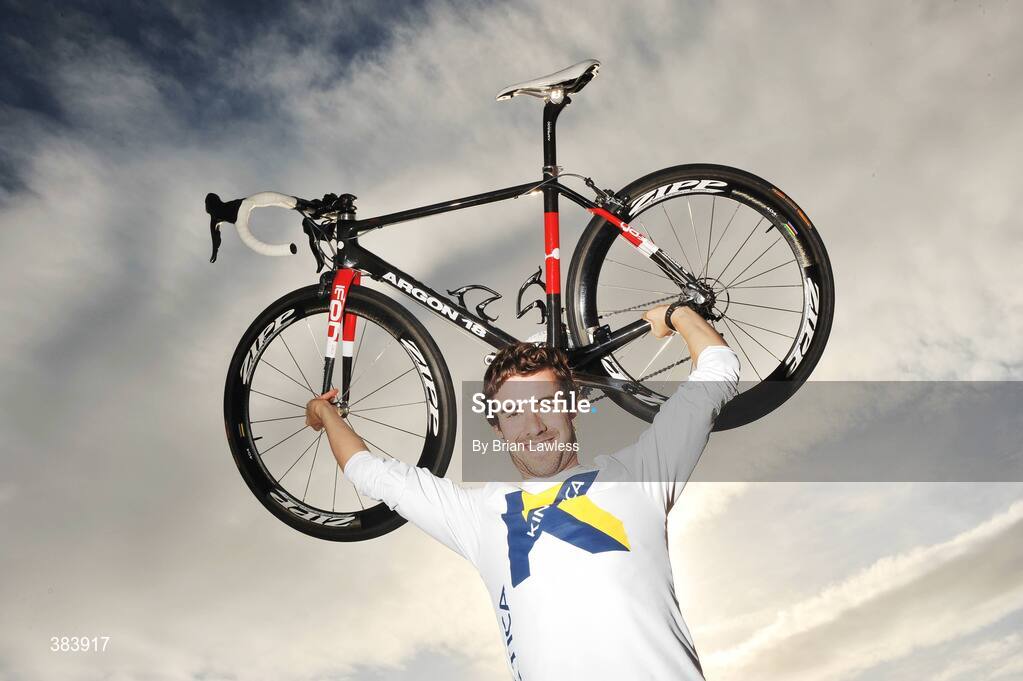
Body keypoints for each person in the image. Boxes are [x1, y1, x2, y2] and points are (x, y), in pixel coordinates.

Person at [306, 301, 740, 681]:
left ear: (573, 408)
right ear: (497, 429)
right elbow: (369, 472)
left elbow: (718, 371)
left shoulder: (640, 474)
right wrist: (326, 413)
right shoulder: (477, 516)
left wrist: (675, 314)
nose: (533, 427)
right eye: (513, 413)